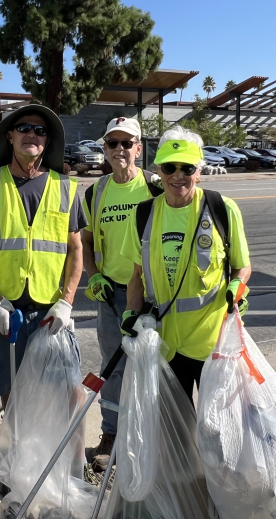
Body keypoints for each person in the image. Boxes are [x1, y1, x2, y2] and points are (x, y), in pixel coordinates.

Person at [0, 105, 87, 408]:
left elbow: (76, 249)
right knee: (13, 398)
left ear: (47, 141)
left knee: (65, 395)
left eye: (40, 130)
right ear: (10, 137)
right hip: (5, 311)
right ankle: (18, 455)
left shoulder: (64, 187)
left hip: (50, 312)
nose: (32, 134)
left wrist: (67, 302)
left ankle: (57, 456)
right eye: (25, 128)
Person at [120, 127, 252, 403]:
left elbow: (242, 266)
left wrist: (238, 285)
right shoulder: (143, 214)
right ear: (159, 170)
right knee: (176, 432)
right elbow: (136, 275)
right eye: (170, 167)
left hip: (212, 344)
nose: (178, 176)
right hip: (165, 344)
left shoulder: (222, 209)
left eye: (187, 168)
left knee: (215, 430)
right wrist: (130, 314)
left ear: (199, 172)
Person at [81, 117, 162, 470]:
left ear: (139, 149)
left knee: (154, 367)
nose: (119, 150)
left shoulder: (156, 187)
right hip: (111, 295)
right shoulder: (95, 192)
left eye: (126, 144)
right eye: (112, 143)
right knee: (112, 369)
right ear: (105, 150)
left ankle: (151, 435)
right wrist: (94, 275)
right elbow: (84, 241)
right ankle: (111, 434)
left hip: (154, 296)